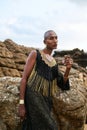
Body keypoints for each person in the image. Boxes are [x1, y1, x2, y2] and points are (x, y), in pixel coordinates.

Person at [18, 30, 73, 130]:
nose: (55, 40)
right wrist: (21, 104)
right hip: (33, 96)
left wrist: (68, 69)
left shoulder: (53, 63)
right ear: (44, 41)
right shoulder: (36, 54)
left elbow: (62, 84)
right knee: (50, 127)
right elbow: (24, 78)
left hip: (46, 100)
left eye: (56, 38)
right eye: (51, 38)